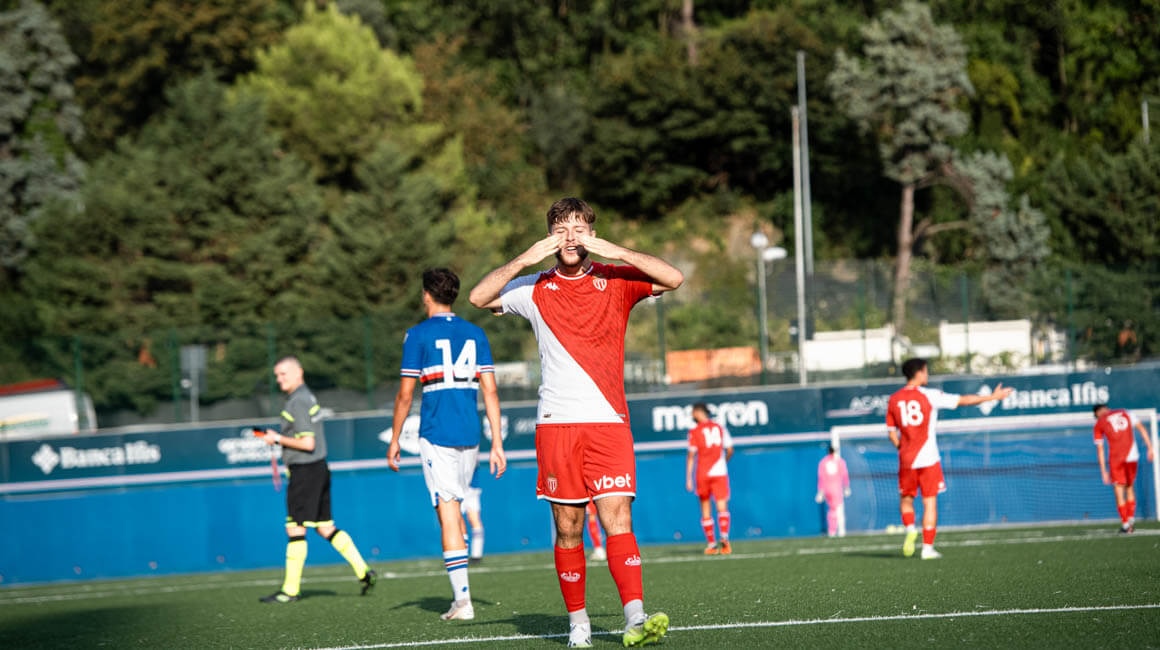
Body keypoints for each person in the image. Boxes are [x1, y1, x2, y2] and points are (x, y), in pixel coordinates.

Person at [469, 197, 683, 648]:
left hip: (609, 422)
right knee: (568, 527)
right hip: (557, 425)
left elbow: (674, 277)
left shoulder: (617, 278)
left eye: (579, 229)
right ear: (550, 237)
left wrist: (616, 251)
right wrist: (525, 258)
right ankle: (579, 624)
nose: (570, 238)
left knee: (618, 518)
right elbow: (478, 297)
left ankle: (636, 618)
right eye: (561, 230)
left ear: (592, 234)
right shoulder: (533, 286)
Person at [388, 268, 506, 621]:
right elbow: (490, 391)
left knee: (448, 512)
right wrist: (497, 443)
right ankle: (461, 593)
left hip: (437, 433)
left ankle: (462, 601)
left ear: (426, 294)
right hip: (471, 435)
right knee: (453, 510)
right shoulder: (476, 332)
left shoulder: (417, 335)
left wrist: (394, 438)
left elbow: (405, 395)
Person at [259, 356, 375, 603]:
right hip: (319, 468)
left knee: (295, 528)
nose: (279, 379)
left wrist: (276, 438)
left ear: (299, 373)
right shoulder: (305, 397)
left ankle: (290, 591)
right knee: (325, 527)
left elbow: (307, 443)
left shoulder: (298, 401)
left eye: (283, 374)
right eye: (277, 375)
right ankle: (364, 571)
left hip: (305, 471)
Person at [886, 358, 1012, 560]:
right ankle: (927, 549)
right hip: (928, 458)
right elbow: (964, 400)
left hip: (907, 459)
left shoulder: (894, 399)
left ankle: (910, 529)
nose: (927, 375)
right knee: (930, 503)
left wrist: (903, 448)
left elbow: (892, 433)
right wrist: (992, 397)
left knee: (906, 500)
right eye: (926, 371)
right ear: (919, 373)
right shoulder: (929, 395)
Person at [1092, 404, 1155, 533]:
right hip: (1132, 456)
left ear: (1097, 413)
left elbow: (1100, 449)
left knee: (1118, 489)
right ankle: (1131, 518)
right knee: (1129, 487)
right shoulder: (1126, 412)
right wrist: (1150, 448)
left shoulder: (1100, 422)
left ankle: (1126, 524)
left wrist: (1103, 471)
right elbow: (1142, 428)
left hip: (1117, 459)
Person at [685, 402, 734, 555]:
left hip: (703, 473)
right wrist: (723, 462)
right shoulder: (720, 427)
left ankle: (712, 545)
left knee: (706, 508)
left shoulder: (694, 431)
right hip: (720, 472)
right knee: (722, 506)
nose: (692, 415)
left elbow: (691, 456)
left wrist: (688, 478)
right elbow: (730, 449)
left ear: (699, 412)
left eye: (693, 412)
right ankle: (724, 538)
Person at [815, 445, 850, 538]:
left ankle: (832, 530)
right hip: (836, 489)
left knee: (831, 510)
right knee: (838, 509)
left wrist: (820, 491)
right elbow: (845, 474)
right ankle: (839, 530)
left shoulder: (823, 462)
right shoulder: (840, 462)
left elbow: (821, 478)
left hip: (827, 489)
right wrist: (846, 487)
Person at [461, 465, 485, 563]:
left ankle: (476, 554)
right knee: (457, 521)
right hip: (460, 489)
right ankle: (461, 553)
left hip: (470, 489)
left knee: (474, 520)